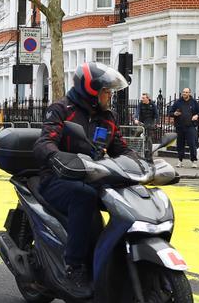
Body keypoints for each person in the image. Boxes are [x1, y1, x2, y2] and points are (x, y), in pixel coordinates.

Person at [33, 62, 134, 289]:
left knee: (127, 199)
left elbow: (121, 147)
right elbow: (44, 142)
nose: (109, 96)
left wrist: (142, 164)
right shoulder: (61, 110)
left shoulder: (107, 117)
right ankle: (74, 266)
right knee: (84, 196)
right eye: (106, 91)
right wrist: (58, 158)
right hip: (59, 178)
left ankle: (117, 257)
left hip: (96, 176)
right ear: (91, 91)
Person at [168, 87, 199, 167]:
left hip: (190, 126)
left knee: (192, 144)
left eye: (186, 92)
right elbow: (170, 112)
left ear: (189, 93)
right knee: (180, 145)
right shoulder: (178, 102)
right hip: (180, 126)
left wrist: (196, 115)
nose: (184, 94)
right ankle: (180, 161)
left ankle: (194, 161)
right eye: (183, 92)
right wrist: (174, 114)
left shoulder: (194, 102)